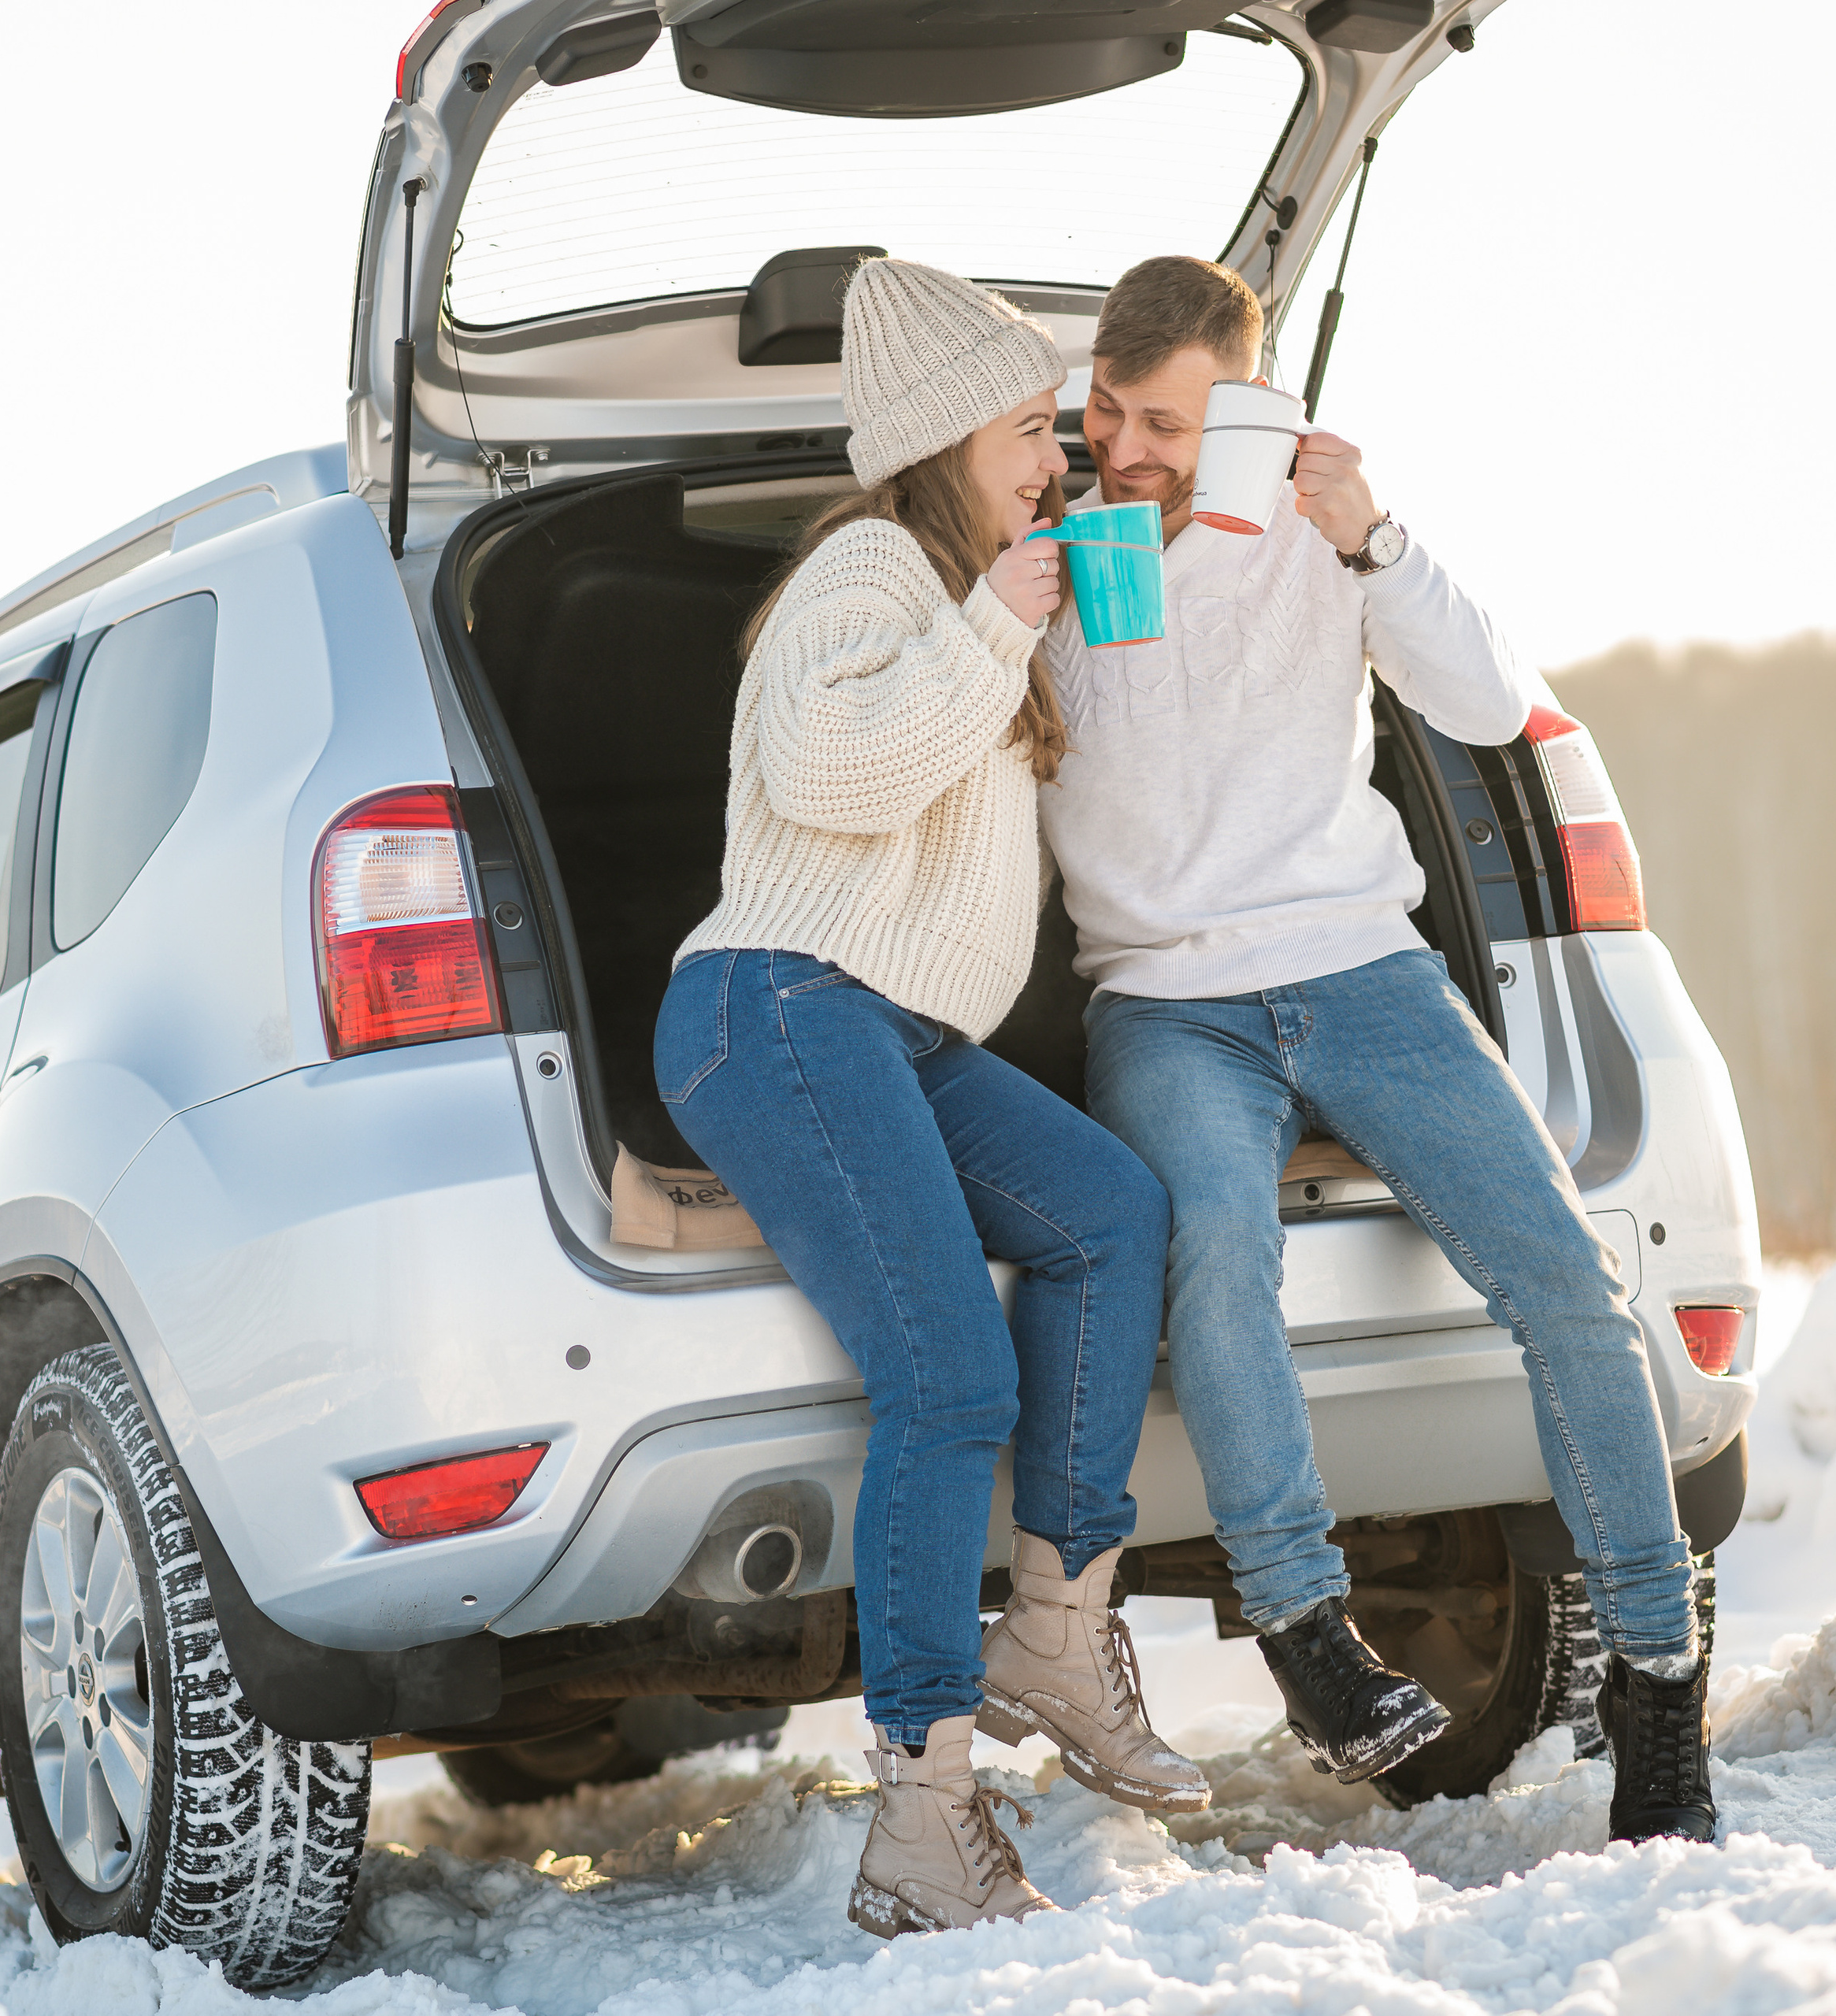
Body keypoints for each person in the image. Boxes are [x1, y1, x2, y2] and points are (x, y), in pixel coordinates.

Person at [1039, 254, 1714, 1844]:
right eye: (1106, 411)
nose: (1127, 447)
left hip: (1363, 970)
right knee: (1213, 1241)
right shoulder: (1051, 546)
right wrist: (1016, 583)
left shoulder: (1318, 538)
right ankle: (1304, 1628)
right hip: (1163, 998)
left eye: (1164, 424)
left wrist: (1374, 541)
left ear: (1243, 421)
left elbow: (1487, 703)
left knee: (1564, 1272)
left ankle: (1655, 1683)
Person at [655, 258, 1210, 1940]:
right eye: (1031, 430)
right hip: (777, 1001)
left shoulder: (983, 595)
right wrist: (1000, 618)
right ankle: (917, 1819)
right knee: (945, 1373)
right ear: (942, 441)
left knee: (1111, 1212)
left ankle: (1054, 1620)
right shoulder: (874, 563)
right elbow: (830, 776)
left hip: (891, 1029)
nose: (1055, 460)